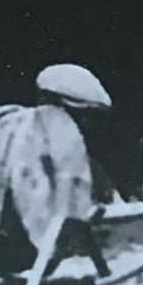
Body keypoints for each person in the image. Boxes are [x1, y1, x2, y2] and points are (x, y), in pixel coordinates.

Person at [34, 62, 123, 204]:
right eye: (80, 117)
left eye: (90, 119)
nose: (86, 128)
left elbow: (119, 214)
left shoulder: (91, 171)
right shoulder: (16, 162)